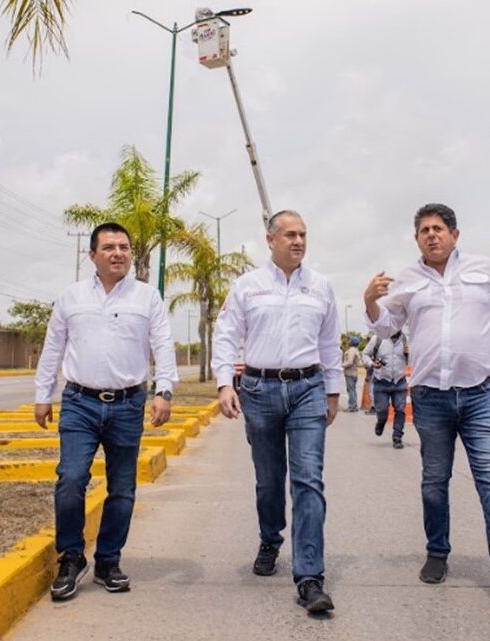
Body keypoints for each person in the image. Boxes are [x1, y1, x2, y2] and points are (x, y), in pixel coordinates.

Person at [363, 203, 490, 611]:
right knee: (434, 481)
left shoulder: (485, 271)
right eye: (425, 229)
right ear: (417, 239)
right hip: (431, 397)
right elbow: (385, 327)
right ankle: (437, 552)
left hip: (481, 394)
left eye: (439, 228)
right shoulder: (407, 280)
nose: (432, 235)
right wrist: (370, 301)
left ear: (455, 234)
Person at [34, 222, 178, 601]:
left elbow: (163, 344)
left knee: (122, 490)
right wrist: (43, 394)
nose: (119, 253)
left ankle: (108, 560)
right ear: (92, 254)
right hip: (80, 402)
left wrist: (164, 390)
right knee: (70, 478)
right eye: (110, 246)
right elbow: (53, 347)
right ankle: (70, 557)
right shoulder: (71, 297)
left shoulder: (148, 297)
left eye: (124, 247)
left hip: (129, 405)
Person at [212, 210, 341, 613]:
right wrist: (223, 383)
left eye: (303, 234)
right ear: (270, 240)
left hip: (307, 388)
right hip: (258, 389)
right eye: (289, 235)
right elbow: (227, 334)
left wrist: (333, 390)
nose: (298, 241)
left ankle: (309, 577)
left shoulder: (322, 286)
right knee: (270, 480)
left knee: (308, 481)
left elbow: (329, 343)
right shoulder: (247, 286)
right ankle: (270, 538)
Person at [362, 331, 409, 448]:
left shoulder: (406, 340)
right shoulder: (377, 339)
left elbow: (417, 358)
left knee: (400, 409)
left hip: (399, 381)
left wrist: (409, 354)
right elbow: (365, 354)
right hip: (381, 381)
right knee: (382, 410)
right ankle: (381, 422)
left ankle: (397, 437)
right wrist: (372, 364)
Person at [342, 336, 361, 412]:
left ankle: (352, 406)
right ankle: (354, 405)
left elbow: (349, 362)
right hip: (354, 373)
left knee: (351, 390)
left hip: (350, 373)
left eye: (349, 340)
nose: (348, 341)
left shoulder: (351, 350)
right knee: (353, 390)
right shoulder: (356, 350)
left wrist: (341, 365)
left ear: (352, 342)